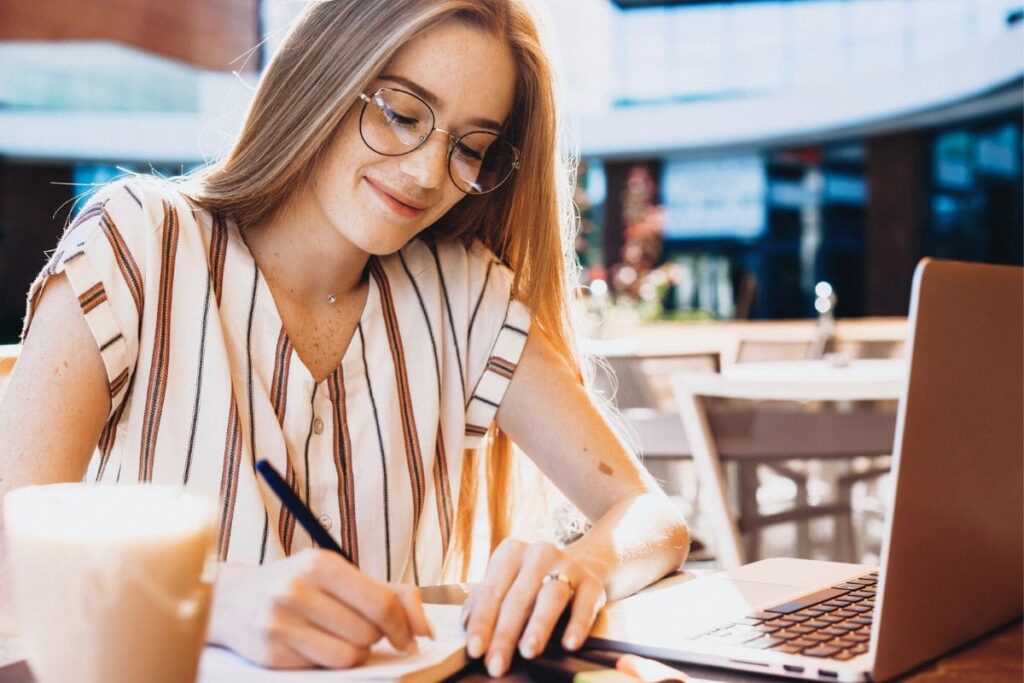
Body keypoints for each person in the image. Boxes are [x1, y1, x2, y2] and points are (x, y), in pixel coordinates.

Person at [0, 0, 689, 677]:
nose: (425, 173)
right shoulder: (137, 242)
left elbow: (650, 513)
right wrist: (214, 598)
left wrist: (582, 566)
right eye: (400, 114)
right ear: (327, 73)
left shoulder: (465, 295)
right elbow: (7, 549)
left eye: (470, 147)